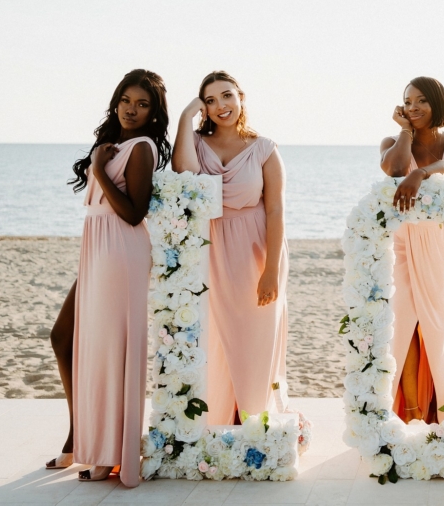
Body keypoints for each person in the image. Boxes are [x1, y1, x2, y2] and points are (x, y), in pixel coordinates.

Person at [55, 69, 170, 484]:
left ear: (154, 112)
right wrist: (101, 162)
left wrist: (101, 171)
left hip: (121, 249)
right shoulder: (113, 142)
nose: (132, 109)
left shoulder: (141, 147)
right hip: (98, 247)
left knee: (109, 350)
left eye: (142, 104)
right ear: (116, 99)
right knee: (64, 336)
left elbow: (135, 212)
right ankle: (77, 440)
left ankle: (107, 453)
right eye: (126, 100)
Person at [172, 71, 288, 424]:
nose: (221, 106)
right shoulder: (194, 142)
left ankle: (257, 422)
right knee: (213, 339)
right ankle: (217, 422)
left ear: (241, 98)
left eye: (227, 96)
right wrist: (183, 118)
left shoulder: (264, 148)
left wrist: (270, 270)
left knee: (255, 340)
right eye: (210, 100)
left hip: (256, 250)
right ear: (203, 108)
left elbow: (276, 209)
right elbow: (183, 173)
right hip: (210, 248)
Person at [379, 76, 444, 423]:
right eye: (408, 101)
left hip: (439, 245)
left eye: (422, 101)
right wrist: (405, 132)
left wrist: (423, 175)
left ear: (438, 104)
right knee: (399, 325)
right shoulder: (392, 141)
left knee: (439, 326)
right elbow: (396, 169)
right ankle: (406, 413)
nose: (414, 108)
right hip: (401, 243)